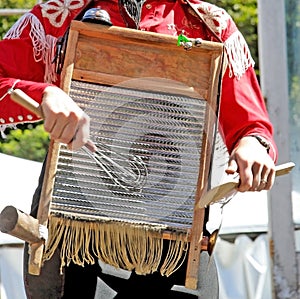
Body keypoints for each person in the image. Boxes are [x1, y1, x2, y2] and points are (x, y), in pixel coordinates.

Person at [0, 0, 278, 298]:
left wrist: (253, 146)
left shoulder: (211, 26)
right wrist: (44, 94)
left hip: (177, 242)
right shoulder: (56, 18)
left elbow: (252, 127)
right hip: (72, 240)